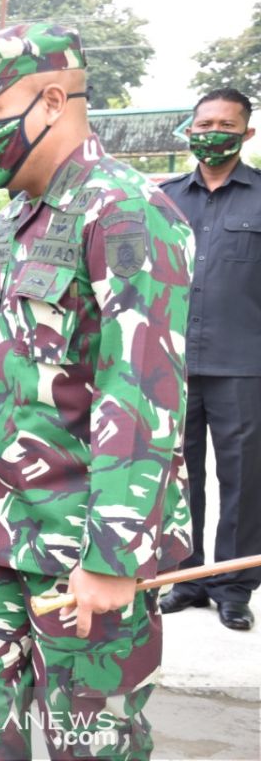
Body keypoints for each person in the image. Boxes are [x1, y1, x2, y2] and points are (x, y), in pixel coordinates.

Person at [0, 23, 194, 759]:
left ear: (52, 100)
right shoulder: (11, 221)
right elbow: (0, 373)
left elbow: (141, 394)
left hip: (83, 546)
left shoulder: (128, 212)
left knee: (92, 741)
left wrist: (114, 556)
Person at [159, 87, 261, 631]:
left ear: (246, 133)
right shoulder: (167, 198)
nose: (212, 132)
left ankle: (233, 584)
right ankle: (187, 575)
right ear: (190, 129)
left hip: (244, 362)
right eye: (203, 123)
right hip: (171, 363)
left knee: (244, 479)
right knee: (181, 474)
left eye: (226, 123)